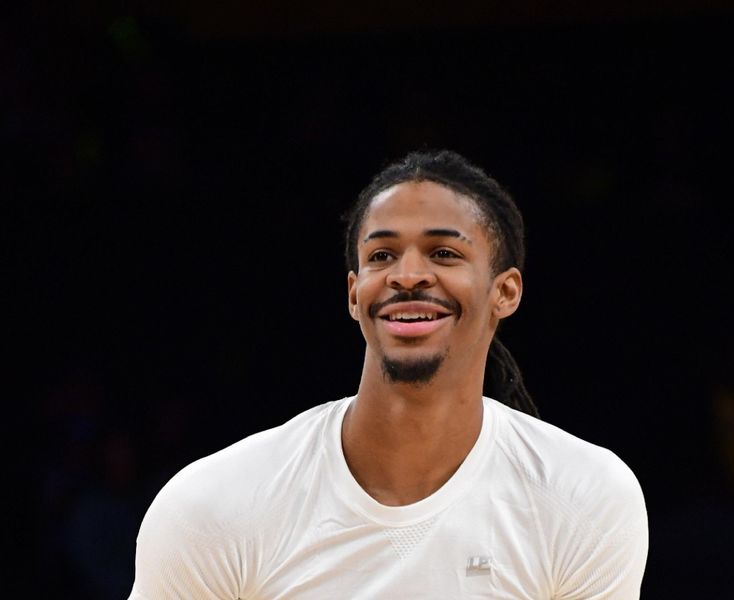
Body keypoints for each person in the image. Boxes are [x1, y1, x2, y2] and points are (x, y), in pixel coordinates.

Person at [128, 149, 648, 599]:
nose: (408, 275)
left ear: (504, 292)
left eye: (444, 253)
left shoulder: (583, 494)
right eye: (382, 255)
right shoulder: (215, 502)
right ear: (355, 293)